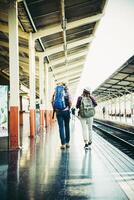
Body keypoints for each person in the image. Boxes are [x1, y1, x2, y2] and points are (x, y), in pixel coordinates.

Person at [52, 83, 72, 149]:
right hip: (66, 111)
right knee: (67, 126)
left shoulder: (56, 91)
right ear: (65, 86)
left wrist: (55, 109)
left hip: (58, 112)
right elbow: (70, 102)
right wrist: (69, 108)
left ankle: (63, 144)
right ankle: (67, 143)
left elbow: (52, 101)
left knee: (61, 127)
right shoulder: (67, 92)